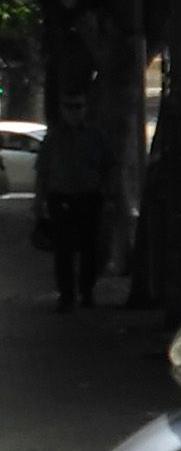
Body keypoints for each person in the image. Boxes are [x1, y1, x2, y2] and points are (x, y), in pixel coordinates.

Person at [34, 92, 114, 312]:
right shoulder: (53, 138)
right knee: (63, 250)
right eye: (69, 107)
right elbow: (43, 171)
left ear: (85, 109)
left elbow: (109, 166)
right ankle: (67, 295)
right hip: (61, 198)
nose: (74, 112)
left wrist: (108, 195)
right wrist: (39, 201)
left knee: (90, 248)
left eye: (78, 107)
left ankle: (87, 291)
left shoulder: (96, 136)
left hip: (89, 198)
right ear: (62, 110)